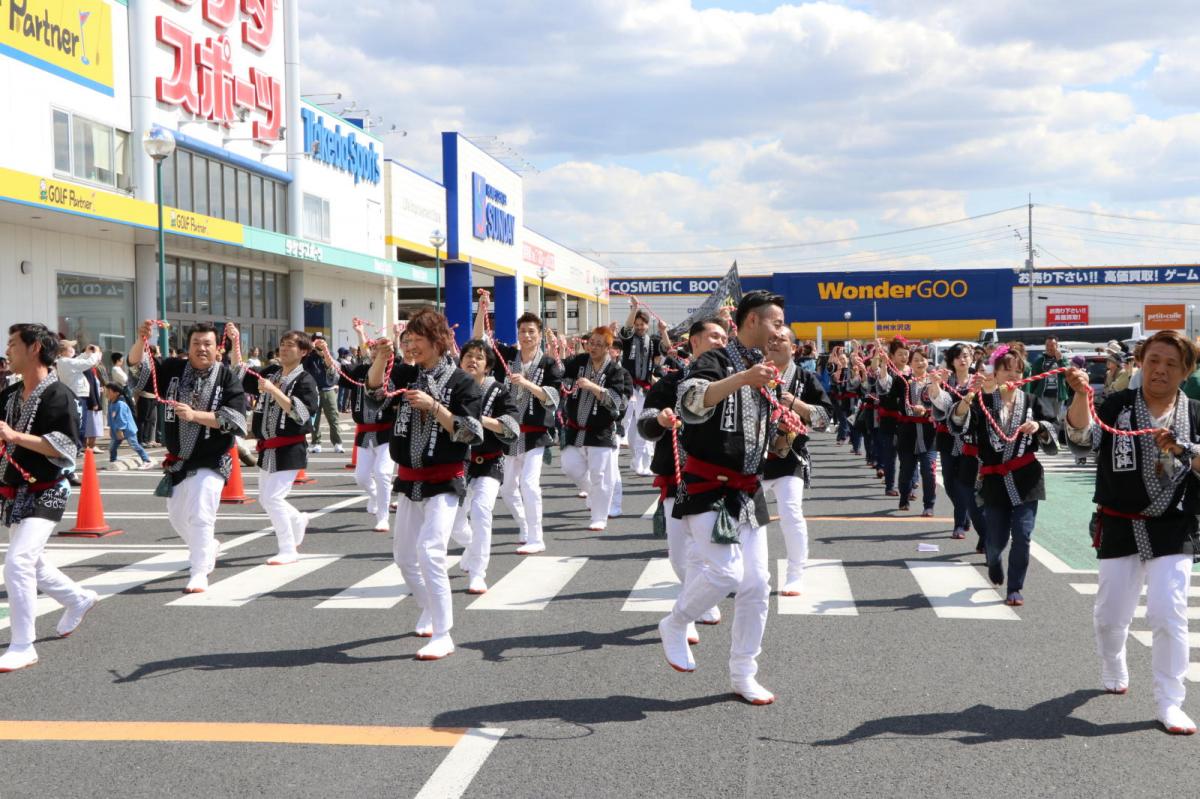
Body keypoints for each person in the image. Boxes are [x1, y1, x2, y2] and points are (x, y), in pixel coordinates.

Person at [1064, 330, 1200, 735]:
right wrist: (1080, 396)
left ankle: (1170, 701)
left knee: (1168, 611)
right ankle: (1112, 659)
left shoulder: (1194, 413)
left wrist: (1182, 449)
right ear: (1140, 363)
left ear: (1186, 371)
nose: (1160, 370)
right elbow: (1082, 438)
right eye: (1153, 360)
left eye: (1171, 364)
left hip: (1174, 524)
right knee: (1110, 615)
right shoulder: (1116, 405)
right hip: (1120, 522)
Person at [658, 290, 790, 705]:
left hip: (748, 490)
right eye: (775, 322)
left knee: (757, 584)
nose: (780, 330)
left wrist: (784, 428)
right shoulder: (714, 360)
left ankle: (743, 671)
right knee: (727, 573)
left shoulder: (766, 369)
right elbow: (692, 401)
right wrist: (743, 379)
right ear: (751, 321)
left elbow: (770, 436)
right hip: (707, 485)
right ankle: (676, 621)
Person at [367, 308, 482, 661]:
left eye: (418, 340)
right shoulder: (406, 373)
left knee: (430, 551)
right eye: (408, 340)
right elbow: (373, 393)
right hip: (409, 479)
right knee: (404, 557)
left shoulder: (462, 382)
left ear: (438, 341)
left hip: (445, 478)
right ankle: (430, 607)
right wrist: (381, 356)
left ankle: (444, 634)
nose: (411, 346)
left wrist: (435, 406)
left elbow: (470, 432)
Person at [0, 323, 100, 672]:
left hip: (49, 489)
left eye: (13, 344)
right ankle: (78, 598)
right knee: (34, 563)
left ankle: (23, 644)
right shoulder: (10, 395)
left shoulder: (59, 395)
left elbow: (65, 447)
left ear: (34, 349)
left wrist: (14, 436)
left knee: (18, 562)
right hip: (16, 490)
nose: (7, 350)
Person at [126, 320, 248, 593]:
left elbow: (236, 420)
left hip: (212, 457)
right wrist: (140, 340)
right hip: (178, 459)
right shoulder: (172, 368)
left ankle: (199, 571)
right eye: (196, 343)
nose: (202, 348)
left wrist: (196, 416)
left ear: (217, 348)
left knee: (201, 514)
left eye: (207, 344)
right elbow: (138, 372)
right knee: (178, 517)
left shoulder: (226, 377)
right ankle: (207, 547)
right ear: (188, 346)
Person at [639, 317, 729, 642]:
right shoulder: (670, 383)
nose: (721, 342)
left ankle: (686, 614)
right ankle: (697, 603)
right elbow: (645, 422)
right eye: (714, 336)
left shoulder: (735, 382)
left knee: (712, 555)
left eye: (724, 338)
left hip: (721, 481)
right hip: (679, 479)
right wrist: (661, 421)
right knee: (680, 554)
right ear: (695, 342)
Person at [949, 345, 1057, 607]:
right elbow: (959, 424)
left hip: (1027, 478)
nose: (1012, 375)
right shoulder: (983, 401)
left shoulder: (1031, 402)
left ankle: (1015, 588)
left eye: (1017, 371)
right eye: (1006, 370)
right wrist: (968, 398)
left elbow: (1052, 428)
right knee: (996, 539)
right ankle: (994, 557)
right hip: (995, 481)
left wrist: (1039, 427)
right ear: (994, 373)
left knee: (1023, 534)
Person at [472, 295, 561, 555]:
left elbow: (553, 398)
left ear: (540, 334)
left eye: (531, 331)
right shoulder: (508, 356)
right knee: (508, 487)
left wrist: (527, 383)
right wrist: (482, 310)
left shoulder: (549, 364)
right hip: (508, 433)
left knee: (529, 484)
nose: (526, 335)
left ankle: (537, 536)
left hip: (535, 434)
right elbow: (479, 339)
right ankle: (524, 525)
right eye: (522, 331)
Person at [236, 328, 320, 565]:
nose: (284, 348)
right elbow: (240, 374)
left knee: (273, 498)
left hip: (290, 447)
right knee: (267, 499)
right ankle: (298, 519)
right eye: (282, 344)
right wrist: (235, 342)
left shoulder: (305, 380)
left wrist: (273, 390)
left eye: (290, 345)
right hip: (268, 447)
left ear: (303, 352)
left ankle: (288, 548)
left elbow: (301, 414)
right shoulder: (271, 372)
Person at [763, 326, 832, 595]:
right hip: (754, 458)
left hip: (789, 457)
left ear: (793, 348)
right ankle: (752, 572)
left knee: (791, 514)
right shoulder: (753, 373)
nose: (774, 343)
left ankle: (795, 573)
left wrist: (796, 404)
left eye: (780, 339)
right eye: (770, 339)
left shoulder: (805, 378)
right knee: (745, 518)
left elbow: (825, 419)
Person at [449, 340, 519, 594]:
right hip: (458, 463)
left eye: (479, 357)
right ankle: (472, 546)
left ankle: (478, 573)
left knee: (481, 511)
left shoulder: (498, 391)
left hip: (489, 461)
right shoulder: (452, 387)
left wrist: (480, 420)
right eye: (468, 356)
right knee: (455, 523)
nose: (473, 360)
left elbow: (511, 426)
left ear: (488, 366)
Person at [327, 322, 395, 532]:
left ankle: (383, 516)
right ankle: (375, 496)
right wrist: (325, 352)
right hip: (365, 433)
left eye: (379, 349)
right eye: (373, 349)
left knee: (383, 473)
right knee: (361, 477)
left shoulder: (396, 371)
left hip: (387, 432)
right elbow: (337, 370)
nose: (375, 353)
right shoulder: (359, 371)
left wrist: (396, 336)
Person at [561, 327, 630, 533]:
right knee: (569, 466)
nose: (593, 347)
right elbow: (561, 374)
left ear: (608, 347)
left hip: (601, 431)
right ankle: (592, 492)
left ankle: (599, 517)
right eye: (591, 342)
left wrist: (593, 387)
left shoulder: (616, 371)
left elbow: (618, 402)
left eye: (599, 344)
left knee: (601, 475)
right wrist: (560, 349)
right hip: (575, 429)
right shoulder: (579, 361)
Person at [929, 344, 985, 540]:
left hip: (971, 440)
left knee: (964, 483)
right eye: (959, 356)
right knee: (949, 483)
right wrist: (936, 385)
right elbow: (939, 403)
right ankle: (965, 511)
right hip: (947, 438)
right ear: (952, 361)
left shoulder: (978, 381)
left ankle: (959, 524)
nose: (963, 359)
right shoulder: (946, 381)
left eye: (967, 356)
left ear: (972, 359)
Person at [618, 299, 669, 475]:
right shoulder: (628, 339)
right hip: (628, 386)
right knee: (628, 423)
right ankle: (635, 458)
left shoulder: (653, 341)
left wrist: (663, 331)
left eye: (643, 324)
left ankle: (641, 461)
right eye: (637, 324)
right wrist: (634, 308)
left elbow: (667, 349)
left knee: (643, 423)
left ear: (647, 325)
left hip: (645, 387)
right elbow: (626, 329)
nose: (640, 327)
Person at [892, 349, 937, 516]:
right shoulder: (903, 380)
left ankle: (929, 505)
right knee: (906, 470)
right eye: (916, 360)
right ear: (910, 363)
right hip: (907, 432)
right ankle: (904, 497)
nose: (920, 363)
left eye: (922, 359)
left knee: (929, 471)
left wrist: (927, 411)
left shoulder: (934, 381)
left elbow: (943, 405)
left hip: (928, 433)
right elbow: (889, 398)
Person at [873, 338, 912, 498]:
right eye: (900, 354)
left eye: (906, 354)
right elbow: (883, 385)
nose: (904, 357)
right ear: (892, 356)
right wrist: (882, 362)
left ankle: (909, 487)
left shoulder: (914, 371)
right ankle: (890, 485)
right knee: (890, 455)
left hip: (909, 421)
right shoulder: (888, 370)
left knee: (909, 456)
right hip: (889, 420)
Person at [303, 332, 344, 454]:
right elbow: (303, 367)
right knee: (314, 419)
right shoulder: (308, 355)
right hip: (313, 390)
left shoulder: (329, 353)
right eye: (316, 340)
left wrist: (324, 351)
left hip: (328, 389)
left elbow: (331, 365)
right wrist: (311, 349)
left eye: (321, 340)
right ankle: (316, 442)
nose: (318, 342)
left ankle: (337, 443)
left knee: (333, 418)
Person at [104, 382, 152, 469]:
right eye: (106, 391)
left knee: (134, 445)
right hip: (117, 430)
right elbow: (110, 417)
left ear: (116, 393)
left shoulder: (120, 404)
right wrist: (111, 428)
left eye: (108, 391)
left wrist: (120, 430)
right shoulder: (111, 403)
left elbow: (122, 418)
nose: (106, 393)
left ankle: (146, 460)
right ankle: (113, 461)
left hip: (127, 429)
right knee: (112, 447)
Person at [136, 343, 161, 447]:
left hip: (146, 394)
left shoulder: (148, 362)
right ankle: (144, 440)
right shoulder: (155, 362)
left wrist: (137, 390)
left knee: (144, 419)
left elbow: (142, 379)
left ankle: (143, 440)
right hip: (152, 394)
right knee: (147, 419)